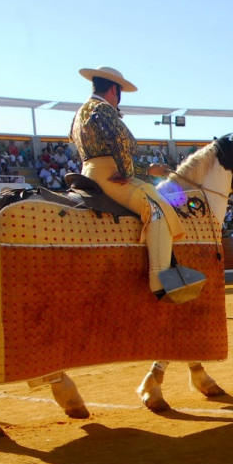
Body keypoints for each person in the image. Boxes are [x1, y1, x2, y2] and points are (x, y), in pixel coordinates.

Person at [69, 65, 194, 301]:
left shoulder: (79, 113)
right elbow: (119, 145)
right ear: (114, 90)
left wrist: (146, 170)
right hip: (109, 176)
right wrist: (128, 172)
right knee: (157, 208)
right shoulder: (104, 110)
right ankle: (160, 281)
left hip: (88, 171)